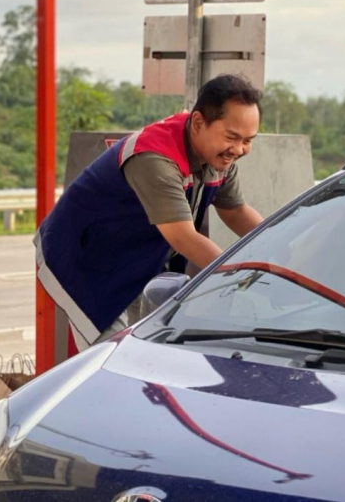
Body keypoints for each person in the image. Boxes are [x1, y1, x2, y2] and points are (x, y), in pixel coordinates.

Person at [35, 75, 264, 350]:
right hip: (85, 260)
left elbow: (236, 211)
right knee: (112, 360)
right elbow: (184, 238)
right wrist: (240, 276)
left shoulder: (217, 154)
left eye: (248, 140)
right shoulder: (155, 158)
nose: (239, 149)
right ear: (199, 123)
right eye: (232, 137)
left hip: (137, 261)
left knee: (156, 352)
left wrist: (283, 249)